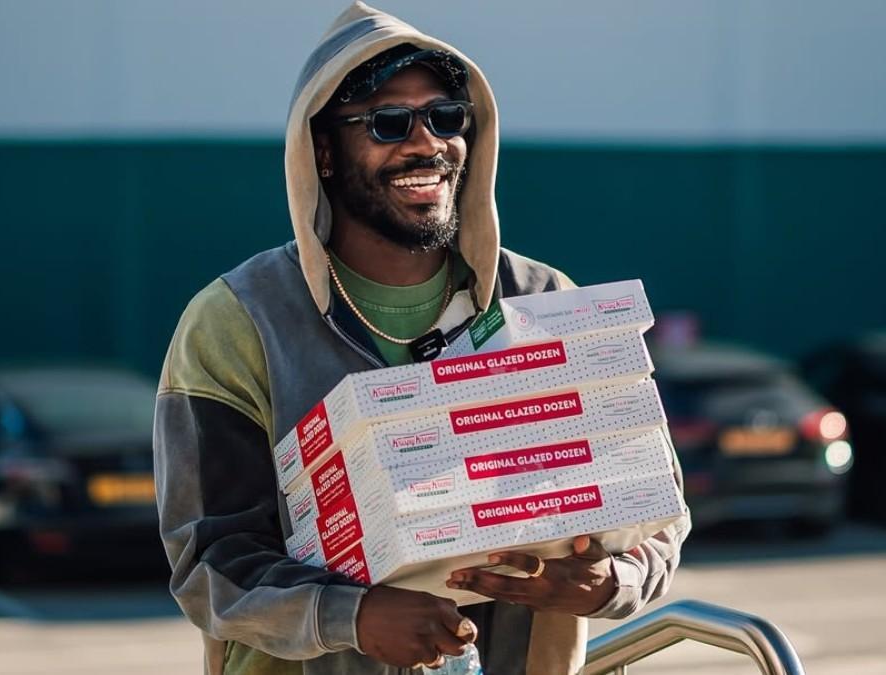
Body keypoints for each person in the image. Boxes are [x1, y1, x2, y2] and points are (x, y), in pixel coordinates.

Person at [153, 3, 690, 674]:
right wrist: (352, 616)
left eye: (445, 117)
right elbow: (209, 562)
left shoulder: (543, 300)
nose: (426, 144)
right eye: (388, 122)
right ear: (322, 150)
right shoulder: (239, 322)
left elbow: (656, 507)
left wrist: (612, 582)